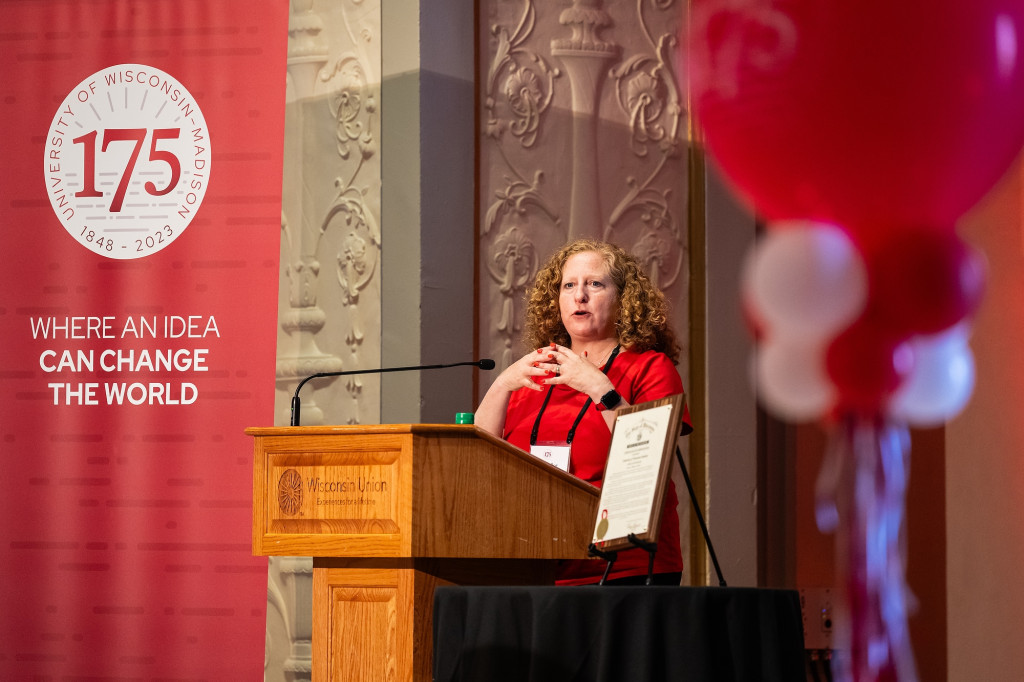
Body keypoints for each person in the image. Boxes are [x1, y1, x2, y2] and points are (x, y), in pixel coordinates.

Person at [476, 238, 692, 585]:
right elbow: (481, 457)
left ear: (623, 298)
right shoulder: (535, 374)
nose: (580, 296)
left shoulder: (650, 367)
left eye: (595, 284)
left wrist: (598, 387)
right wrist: (501, 384)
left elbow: (648, 454)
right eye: (569, 285)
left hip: (623, 567)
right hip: (538, 564)